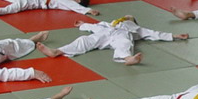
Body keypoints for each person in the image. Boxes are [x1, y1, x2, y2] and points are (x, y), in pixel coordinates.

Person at [36, 15, 189, 66]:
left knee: (125, 44)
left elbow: (154, 33)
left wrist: (173, 36)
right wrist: (84, 25)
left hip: (121, 35)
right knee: (84, 40)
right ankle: (57, 51)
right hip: (104, 33)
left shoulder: (135, 28)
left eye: (129, 17)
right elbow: (94, 27)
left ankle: (128, 58)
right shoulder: (108, 24)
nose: (126, 17)